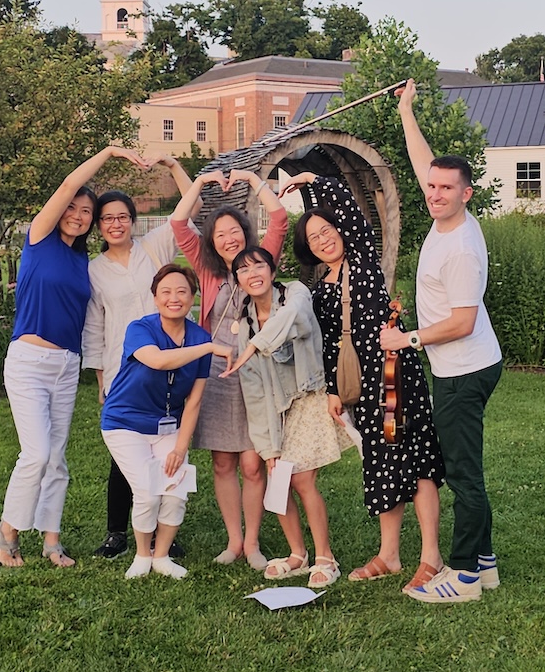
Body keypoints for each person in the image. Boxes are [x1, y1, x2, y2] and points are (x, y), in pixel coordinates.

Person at [288, 171, 446, 591]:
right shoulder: (318, 289)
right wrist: (334, 393)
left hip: (396, 376)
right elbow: (325, 347)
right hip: (362, 388)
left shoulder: (361, 260)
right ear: (309, 249)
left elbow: (352, 214)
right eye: (314, 237)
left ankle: (431, 555)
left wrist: (311, 180)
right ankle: (389, 555)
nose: (324, 239)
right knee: (380, 461)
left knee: (417, 457)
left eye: (328, 230)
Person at [0, 145, 151, 568]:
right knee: (37, 454)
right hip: (29, 359)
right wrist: (111, 151)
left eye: (87, 212)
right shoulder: (40, 238)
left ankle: (51, 540)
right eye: (75, 207)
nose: (79, 215)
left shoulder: (82, 258)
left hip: (66, 364)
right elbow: (68, 184)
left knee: (58, 457)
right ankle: (8, 530)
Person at [383, 82, 505, 604]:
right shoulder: (445, 215)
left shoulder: (460, 249)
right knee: (463, 466)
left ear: (466, 193)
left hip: (463, 367)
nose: (434, 193)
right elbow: (424, 161)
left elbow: (462, 321)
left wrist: (406, 337)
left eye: (445, 189)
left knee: (462, 473)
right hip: (461, 364)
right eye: (431, 187)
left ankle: (465, 576)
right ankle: (486, 563)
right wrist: (407, 112)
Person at [170, 168, 290, 568]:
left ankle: (254, 543)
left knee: (254, 463)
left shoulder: (261, 261)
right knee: (223, 462)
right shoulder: (206, 271)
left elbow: (279, 217)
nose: (228, 238)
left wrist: (251, 179)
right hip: (218, 379)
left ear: (244, 232)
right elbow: (177, 221)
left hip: (258, 375)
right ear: (211, 240)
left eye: (234, 230)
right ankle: (234, 541)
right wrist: (201, 183)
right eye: (219, 233)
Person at [221, 246, 355, 589]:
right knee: (277, 478)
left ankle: (326, 557)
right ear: (238, 279)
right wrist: (268, 448)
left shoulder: (295, 293)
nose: (253, 274)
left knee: (302, 480)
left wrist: (254, 345)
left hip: (311, 395)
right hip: (277, 409)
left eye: (259, 266)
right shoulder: (245, 324)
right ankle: (298, 554)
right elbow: (255, 394)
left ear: (272, 268)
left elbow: (292, 315)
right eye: (244, 270)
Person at [82, 158, 194, 561]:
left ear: (133, 219)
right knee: (125, 455)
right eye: (108, 218)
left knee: (166, 448)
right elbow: (94, 327)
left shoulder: (154, 247)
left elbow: (189, 208)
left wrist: (175, 166)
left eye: (123, 217)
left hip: (169, 366)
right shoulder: (94, 271)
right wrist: (100, 379)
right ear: (99, 226)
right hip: (123, 372)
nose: (116, 224)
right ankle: (117, 532)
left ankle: (167, 531)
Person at [99, 265, 231, 580]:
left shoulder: (198, 335)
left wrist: (180, 447)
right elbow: (158, 360)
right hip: (124, 423)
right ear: (155, 298)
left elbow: (194, 400)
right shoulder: (140, 329)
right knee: (147, 490)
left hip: (166, 426)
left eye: (182, 291)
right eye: (166, 292)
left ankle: (162, 556)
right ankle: (142, 555)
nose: (174, 298)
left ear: (193, 298)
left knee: (176, 488)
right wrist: (209, 348)